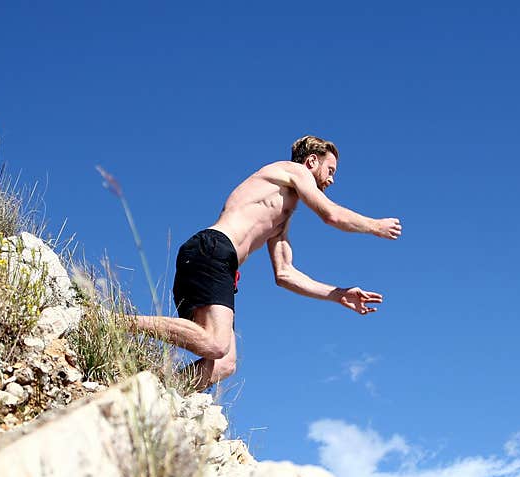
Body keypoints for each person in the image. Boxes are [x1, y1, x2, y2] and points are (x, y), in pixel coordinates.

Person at [129, 135, 402, 391]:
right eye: (330, 170)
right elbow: (331, 214)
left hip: (221, 263)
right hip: (212, 249)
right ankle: (119, 322)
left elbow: (285, 274)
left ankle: (154, 391)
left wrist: (338, 294)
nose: (331, 180)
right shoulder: (292, 171)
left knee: (224, 363)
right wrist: (375, 225)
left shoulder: (281, 219)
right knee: (215, 343)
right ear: (311, 161)